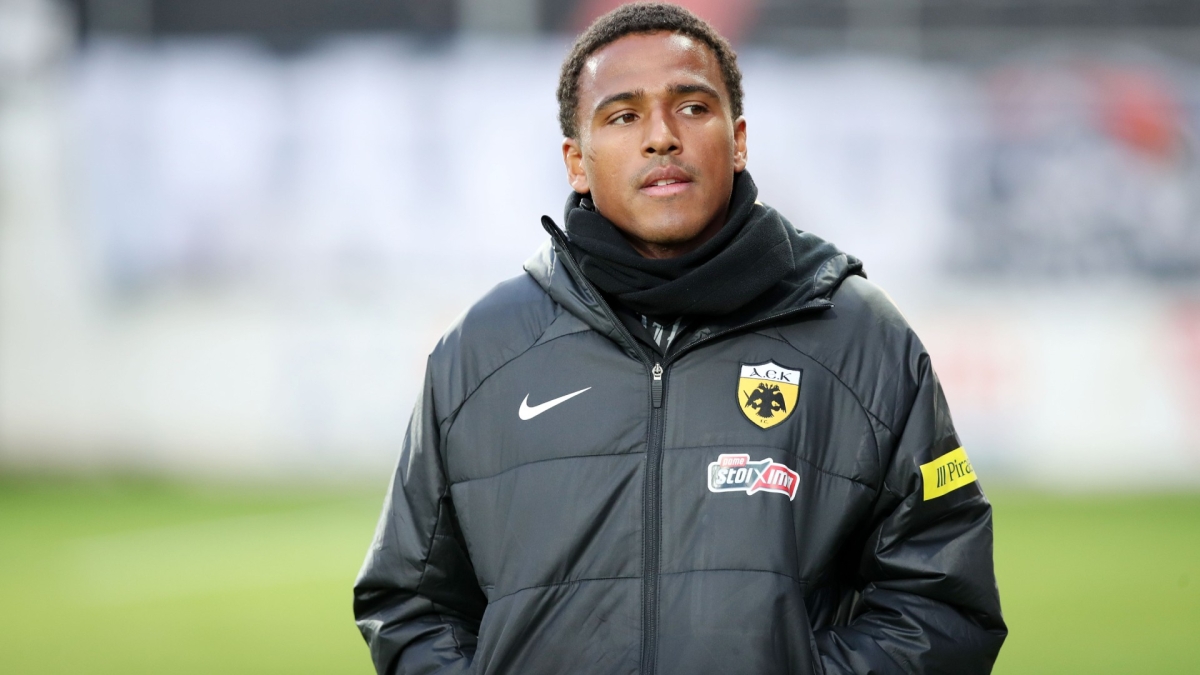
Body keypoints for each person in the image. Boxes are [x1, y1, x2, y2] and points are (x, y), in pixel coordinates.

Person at [353, 3, 1006, 674]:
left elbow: (943, 603)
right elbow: (411, 603)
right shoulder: (482, 351)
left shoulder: (861, 337)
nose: (661, 137)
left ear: (739, 140)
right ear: (577, 161)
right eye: (623, 116)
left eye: (692, 108)